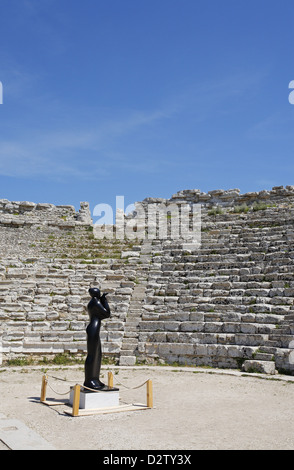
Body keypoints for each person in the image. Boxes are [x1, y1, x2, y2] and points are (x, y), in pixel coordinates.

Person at [83, 287, 110, 390]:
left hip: (94, 329)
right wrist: (104, 300)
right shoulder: (95, 302)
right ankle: (89, 380)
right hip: (93, 329)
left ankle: (95, 378)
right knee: (93, 355)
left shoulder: (93, 301)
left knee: (98, 354)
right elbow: (107, 313)